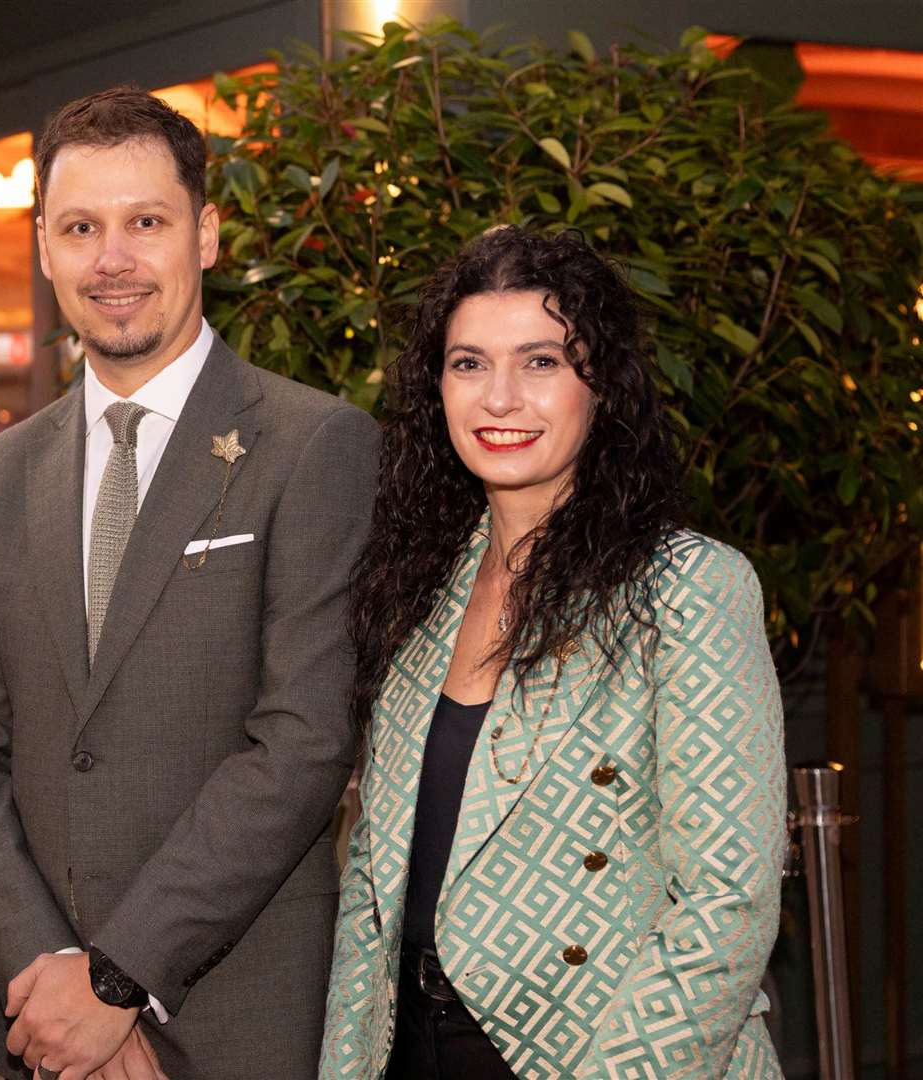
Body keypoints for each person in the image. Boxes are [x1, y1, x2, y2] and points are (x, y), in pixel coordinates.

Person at [0, 86, 379, 1080]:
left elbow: (301, 742)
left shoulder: (311, 446)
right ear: (43, 247)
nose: (112, 260)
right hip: (31, 1022)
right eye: (80, 227)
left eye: (145, 223)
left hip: (231, 1019)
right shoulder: (6, 469)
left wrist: (117, 980)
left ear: (205, 235)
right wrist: (49, 973)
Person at [321, 227, 787, 1078]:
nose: (500, 398)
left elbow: (728, 901)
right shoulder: (418, 588)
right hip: (410, 1048)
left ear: (600, 387)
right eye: (468, 364)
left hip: (598, 1052)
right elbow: (375, 881)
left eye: (540, 362)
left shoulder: (685, 588)